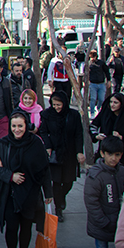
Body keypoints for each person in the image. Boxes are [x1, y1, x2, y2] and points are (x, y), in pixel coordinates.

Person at [0, 111, 53, 248]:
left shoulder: (36, 143)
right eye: (13, 126)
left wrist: (48, 192)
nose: (16, 129)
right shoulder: (4, 144)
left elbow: (44, 168)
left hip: (31, 193)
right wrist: (11, 175)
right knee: (11, 227)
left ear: (26, 125)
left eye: (20, 126)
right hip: (10, 194)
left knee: (26, 227)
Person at [38, 90, 85, 222]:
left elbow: (78, 134)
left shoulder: (73, 115)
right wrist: (48, 146)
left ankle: (61, 197)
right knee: (57, 182)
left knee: (69, 181)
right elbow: (43, 130)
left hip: (69, 153)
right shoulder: (47, 115)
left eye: (59, 105)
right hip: (55, 153)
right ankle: (59, 208)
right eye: (54, 104)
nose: (57, 107)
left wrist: (79, 151)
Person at [84, 136, 124, 248]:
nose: (113, 158)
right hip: (102, 225)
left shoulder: (122, 171)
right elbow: (91, 201)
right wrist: (104, 222)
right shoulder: (96, 175)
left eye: (117, 154)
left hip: (121, 223)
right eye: (110, 154)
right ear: (103, 153)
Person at [88, 92, 124, 174]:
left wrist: (121, 137)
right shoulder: (105, 114)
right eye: (111, 102)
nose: (112, 105)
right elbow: (93, 125)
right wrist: (97, 136)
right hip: (105, 150)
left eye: (116, 102)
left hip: (121, 153)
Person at [86, 51, 110, 118]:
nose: (92, 59)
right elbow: (85, 73)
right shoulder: (89, 64)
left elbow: (106, 71)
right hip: (93, 83)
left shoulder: (101, 63)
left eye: (93, 57)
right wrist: (85, 81)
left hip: (101, 83)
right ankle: (92, 112)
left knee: (101, 99)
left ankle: (98, 107)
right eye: (91, 57)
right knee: (93, 98)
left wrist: (109, 80)